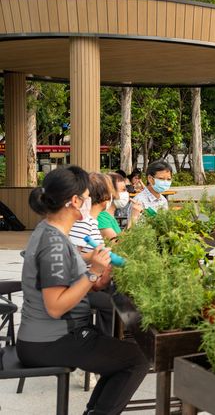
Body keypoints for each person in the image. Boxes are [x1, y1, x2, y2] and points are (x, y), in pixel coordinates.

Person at [17, 166, 149, 414]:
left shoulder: (52, 232)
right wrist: (93, 273)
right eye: (87, 197)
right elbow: (55, 306)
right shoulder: (53, 245)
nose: (91, 203)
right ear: (75, 201)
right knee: (137, 359)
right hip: (50, 341)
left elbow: (73, 282)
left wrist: (97, 277)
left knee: (125, 356)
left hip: (54, 336)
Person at [69, 173, 117, 340]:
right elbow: (73, 256)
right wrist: (100, 258)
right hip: (84, 285)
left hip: (92, 279)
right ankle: (105, 341)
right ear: (105, 197)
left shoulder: (92, 221)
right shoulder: (84, 222)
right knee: (116, 305)